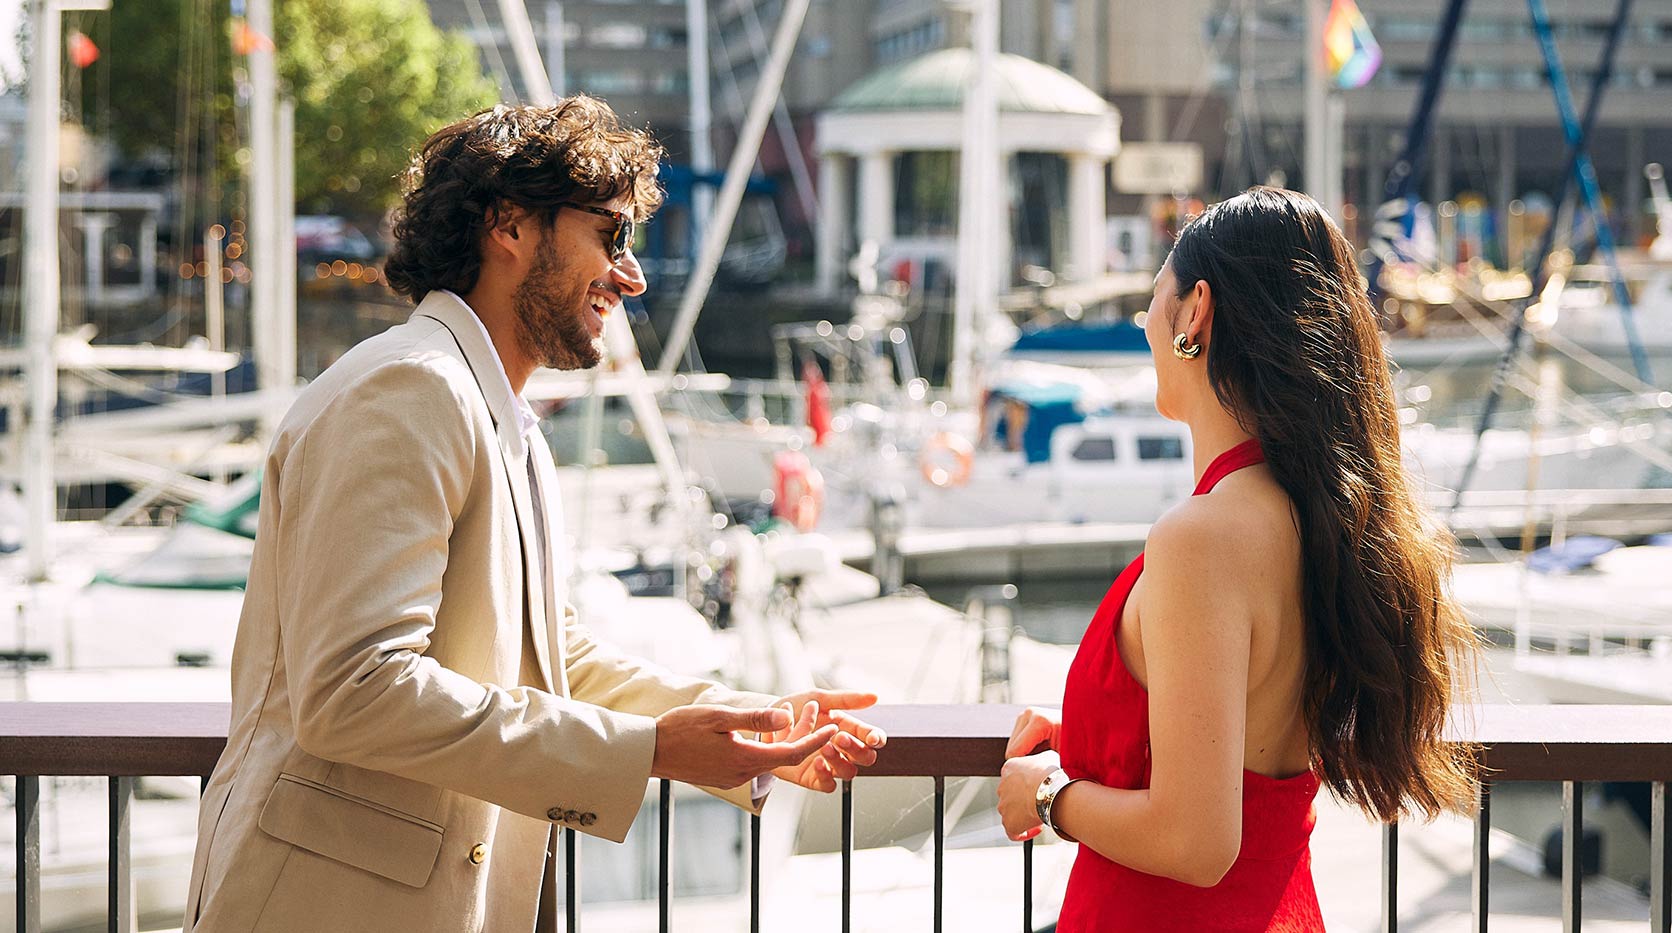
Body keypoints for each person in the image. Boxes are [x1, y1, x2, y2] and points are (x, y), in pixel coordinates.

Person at [186, 97, 885, 932]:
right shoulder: (411, 390)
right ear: (508, 225)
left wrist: (742, 727)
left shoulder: (493, 410)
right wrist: (653, 751)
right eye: (612, 235)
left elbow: (549, 660)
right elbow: (355, 690)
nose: (631, 275)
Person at [995, 187, 1478, 931]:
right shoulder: (1318, 517)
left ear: (1196, 314)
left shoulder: (1204, 537)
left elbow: (1197, 840)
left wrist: (1048, 793)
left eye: (1154, 298)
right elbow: (1243, 731)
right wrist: (1101, 735)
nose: (1144, 323)